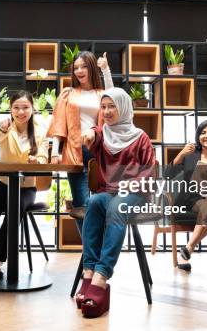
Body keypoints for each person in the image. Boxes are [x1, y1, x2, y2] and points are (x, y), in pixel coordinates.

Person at [76, 87, 156, 318]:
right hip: (107, 191)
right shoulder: (103, 132)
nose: (108, 111)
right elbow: (93, 134)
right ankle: (88, 272)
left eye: (112, 106)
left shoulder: (140, 137)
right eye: (104, 107)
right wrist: (91, 132)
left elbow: (149, 172)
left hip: (135, 193)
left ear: (124, 108)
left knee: (115, 207)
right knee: (95, 202)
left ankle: (101, 276)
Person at [0, 91, 49, 278]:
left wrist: (37, 161)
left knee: (14, 211)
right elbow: (1, 140)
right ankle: (1, 245)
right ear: (10, 110)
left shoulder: (40, 130)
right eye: (16, 107)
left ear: (32, 109)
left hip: (25, 187)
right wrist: (1, 129)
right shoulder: (5, 126)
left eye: (25, 107)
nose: (21, 111)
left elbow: (43, 155)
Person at [47, 51, 113, 233]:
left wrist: (106, 70)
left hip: (100, 153)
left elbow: (115, 98)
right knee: (81, 206)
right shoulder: (68, 93)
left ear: (92, 67)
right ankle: (90, 252)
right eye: (76, 68)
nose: (79, 71)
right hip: (75, 152)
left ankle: (93, 253)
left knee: (103, 204)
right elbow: (59, 123)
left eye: (84, 66)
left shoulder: (102, 94)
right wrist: (55, 152)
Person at [163, 120, 207, 271]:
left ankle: (189, 246)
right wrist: (181, 154)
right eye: (203, 133)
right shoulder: (190, 157)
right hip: (193, 199)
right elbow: (167, 175)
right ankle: (189, 249)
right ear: (198, 137)